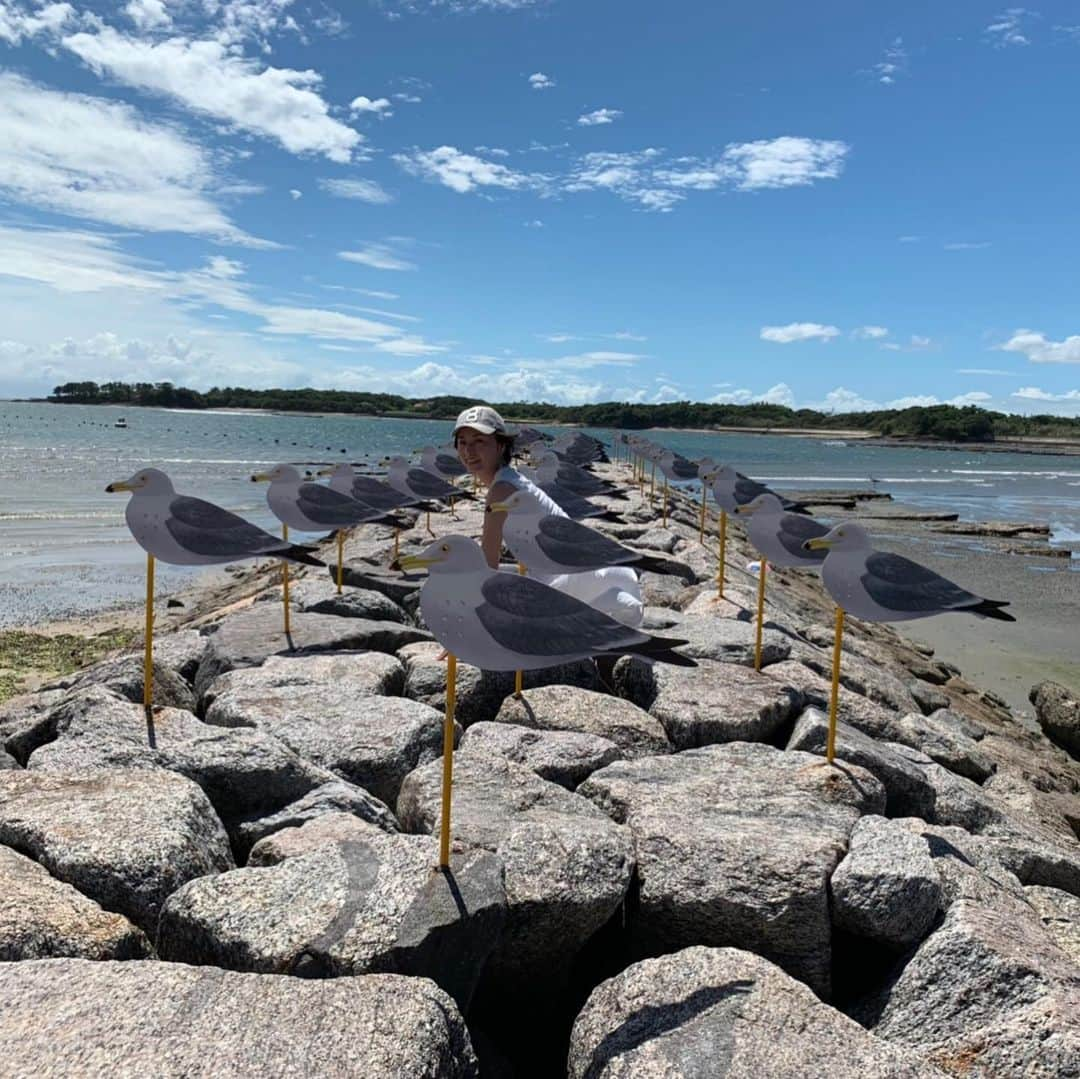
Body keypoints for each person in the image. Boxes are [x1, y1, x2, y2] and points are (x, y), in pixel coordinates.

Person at [452, 405, 643, 626]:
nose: (469, 451)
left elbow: (488, 565)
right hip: (604, 575)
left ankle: (611, 610)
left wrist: (465, 627)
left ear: (501, 444)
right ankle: (611, 610)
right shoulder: (511, 479)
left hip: (589, 578)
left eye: (479, 441)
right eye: (463, 442)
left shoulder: (501, 491)